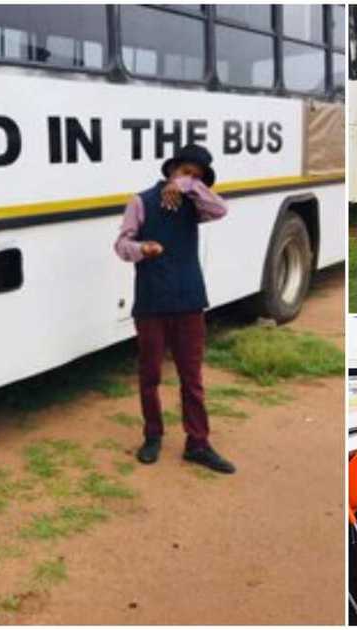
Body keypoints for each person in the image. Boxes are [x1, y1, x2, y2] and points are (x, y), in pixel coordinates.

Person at [114, 144, 237, 473]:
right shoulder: (141, 201)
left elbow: (222, 209)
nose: (190, 179)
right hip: (152, 301)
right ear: (171, 168)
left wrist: (188, 187)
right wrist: (143, 248)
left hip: (188, 300)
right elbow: (121, 244)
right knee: (150, 375)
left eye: (198, 177)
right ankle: (152, 435)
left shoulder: (196, 204)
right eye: (185, 172)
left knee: (192, 378)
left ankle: (197, 443)